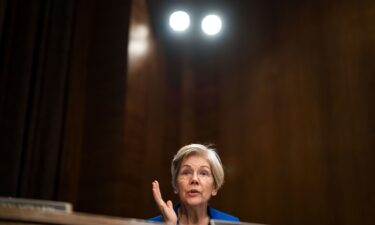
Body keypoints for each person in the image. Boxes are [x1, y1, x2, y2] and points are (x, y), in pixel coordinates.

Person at [149, 144, 239, 225]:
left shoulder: (231, 223)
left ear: (214, 187)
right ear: (175, 185)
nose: (194, 179)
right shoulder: (150, 224)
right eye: (186, 172)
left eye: (203, 173)